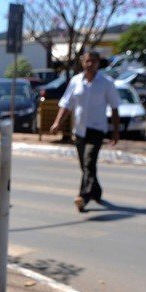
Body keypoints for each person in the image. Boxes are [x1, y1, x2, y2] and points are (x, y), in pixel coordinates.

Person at [50, 51, 120, 212]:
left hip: (97, 129)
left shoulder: (106, 83)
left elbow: (115, 107)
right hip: (80, 130)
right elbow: (66, 104)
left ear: (98, 63)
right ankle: (96, 191)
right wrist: (57, 123)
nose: (90, 64)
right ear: (83, 62)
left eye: (94, 61)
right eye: (87, 61)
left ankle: (83, 196)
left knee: (89, 162)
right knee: (85, 166)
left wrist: (115, 131)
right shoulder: (75, 81)